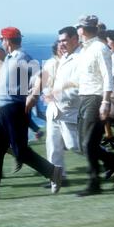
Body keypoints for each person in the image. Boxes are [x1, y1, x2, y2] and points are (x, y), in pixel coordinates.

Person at [0, 27, 63, 202]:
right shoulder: (10, 58)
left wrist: (34, 95)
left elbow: (41, 76)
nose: (1, 43)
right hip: (4, 109)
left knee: (20, 151)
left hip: (15, 109)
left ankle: (53, 172)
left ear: (8, 41)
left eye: (2, 40)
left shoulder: (22, 57)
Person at [73, 16, 114, 196]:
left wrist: (105, 102)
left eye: (79, 28)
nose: (78, 31)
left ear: (82, 29)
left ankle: (94, 183)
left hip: (96, 98)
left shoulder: (99, 48)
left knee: (89, 143)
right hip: (84, 97)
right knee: (84, 145)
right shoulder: (84, 50)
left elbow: (107, 76)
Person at [43, 26, 81, 187]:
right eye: (60, 41)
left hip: (69, 109)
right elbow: (52, 83)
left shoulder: (80, 58)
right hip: (54, 109)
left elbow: (78, 86)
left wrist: (56, 95)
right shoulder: (63, 58)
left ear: (75, 39)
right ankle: (57, 178)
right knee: (52, 145)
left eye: (64, 40)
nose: (62, 44)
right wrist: (48, 92)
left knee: (74, 145)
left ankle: (109, 160)